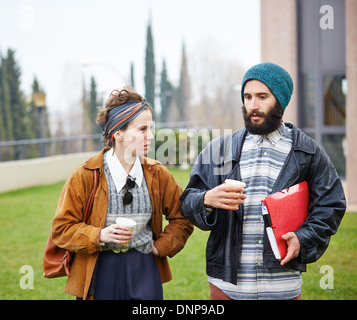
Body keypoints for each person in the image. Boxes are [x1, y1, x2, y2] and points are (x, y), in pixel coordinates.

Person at [180, 62, 346, 300]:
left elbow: (332, 205)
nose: (253, 106)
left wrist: (304, 237)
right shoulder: (219, 149)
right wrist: (206, 199)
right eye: (247, 97)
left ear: (280, 100)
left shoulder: (308, 152)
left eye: (262, 97)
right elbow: (187, 200)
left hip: (282, 286)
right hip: (226, 286)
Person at [51, 87, 193, 300]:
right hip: (99, 269)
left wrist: (159, 247)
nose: (151, 136)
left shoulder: (158, 174)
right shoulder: (85, 175)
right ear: (117, 133)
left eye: (151, 128)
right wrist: (99, 235)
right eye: (142, 130)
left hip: (145, 269)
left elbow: (183, 217)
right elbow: (62, 230)